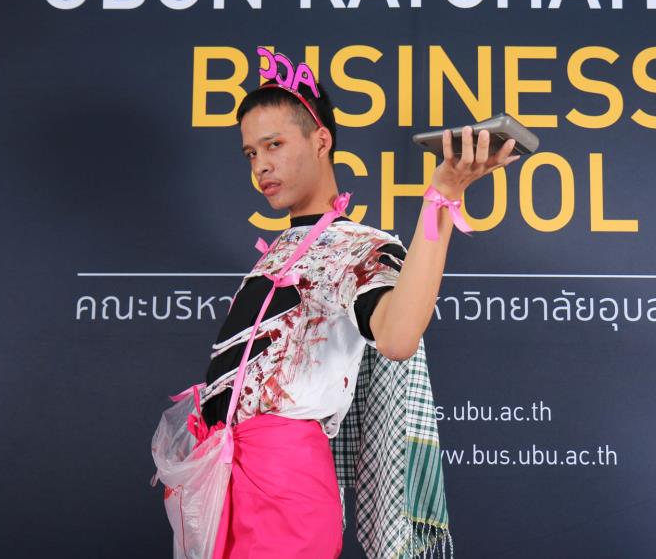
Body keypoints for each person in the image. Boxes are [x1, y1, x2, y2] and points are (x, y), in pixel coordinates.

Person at [197, 55, 520, 559]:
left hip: (285, 489)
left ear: (320, 140)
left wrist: (442, 196)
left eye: (275, 144)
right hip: (223, 482)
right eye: (250, 152)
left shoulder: (358, 247)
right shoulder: (279, 251)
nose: (260, 165)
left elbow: (397, 335)